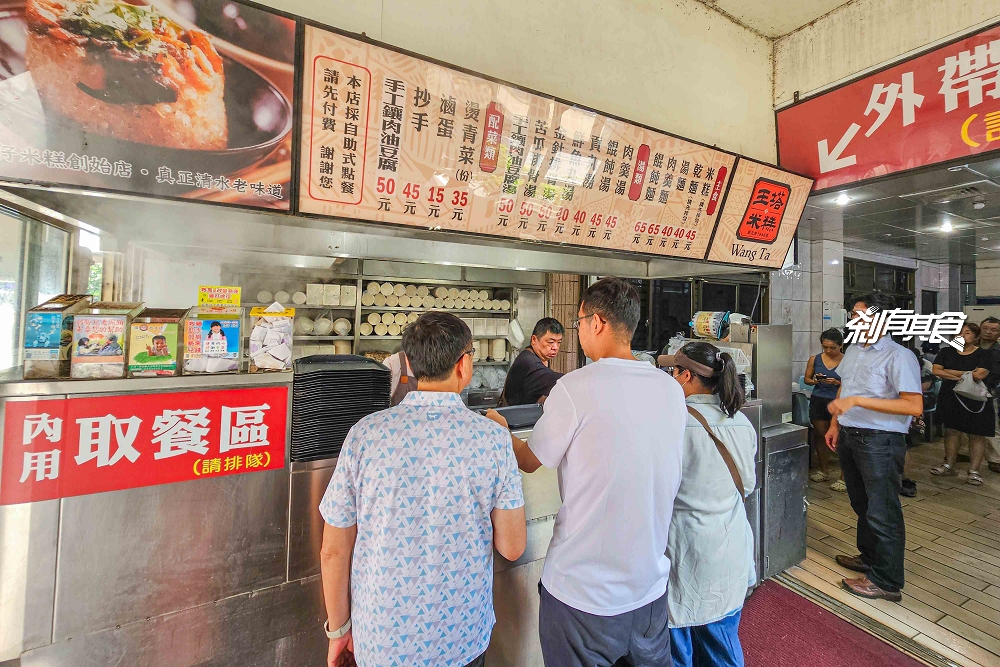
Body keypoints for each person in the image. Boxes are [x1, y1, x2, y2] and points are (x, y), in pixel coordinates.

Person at [487, 277, 686, 667]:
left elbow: (529, 460)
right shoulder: (670, 389)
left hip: (582, 597)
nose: (576, 332)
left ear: (596, 322)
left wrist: (500, 429)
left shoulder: (576, 388)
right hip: (649, 592)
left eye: (578, 322)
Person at [319, 312, 526, 667]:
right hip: (461, 638)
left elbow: (333, 551)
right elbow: (512, 546)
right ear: (464, 365)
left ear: (410, 365)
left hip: (382, 640)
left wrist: (338, 632)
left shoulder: (365, 434)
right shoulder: (492, 439)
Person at [658, 342, 757, 667]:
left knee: (679, 651)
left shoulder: (672, 425)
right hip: (728, 551)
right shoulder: (742, 423)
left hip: (685, 554)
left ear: (686, 375)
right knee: (722, 648)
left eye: (673, 371)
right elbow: (749, 485)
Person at [826, 293, 922, 602]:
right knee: (861, 504)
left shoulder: (899, 356)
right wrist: (835, 423)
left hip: (879, 441)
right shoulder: (854, 349)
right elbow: (846, 386)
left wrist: (856, 402)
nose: (852, 320)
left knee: (883, 511)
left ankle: (887, 581)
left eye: (859, 314)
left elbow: (914, 405)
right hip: (851, 435)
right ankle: (869, 558)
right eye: (852, 314)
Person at [930, 322, 993, 486]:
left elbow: (979, 375)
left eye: (967, 333)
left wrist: (950, 371)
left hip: (975, 398)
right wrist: (966, 376)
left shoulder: (983, 354)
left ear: (976, 337)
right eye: (958, 332)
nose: (962, 335)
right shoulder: (946, 351)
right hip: (950, 396)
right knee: (951, 431)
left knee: (977, 434)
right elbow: (936, 370)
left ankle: (974, 471)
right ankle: (949, 465)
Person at [803, 329, 845, 490]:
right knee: (821, 436)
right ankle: (823, 470)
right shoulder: (815, 359)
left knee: (841, 439)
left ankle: (844, 477)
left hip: (839, 401)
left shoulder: (847, 361)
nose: (828, 350)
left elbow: (855, 382)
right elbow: (807, 378)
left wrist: (837, 383)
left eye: (832, 347)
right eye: (825, 347)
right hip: (819, 400)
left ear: (841, 346)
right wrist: (814, 381)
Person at [501, 317, 564, 405]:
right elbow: (559, 381)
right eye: (550, 342)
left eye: (559, 342)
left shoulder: (540, 357)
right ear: (534, 340)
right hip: (514, 416)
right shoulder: (528, 361)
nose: (555, 347)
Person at [978, 316, 1000, 474]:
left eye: (993, 330)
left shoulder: (997, 351)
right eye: (985, 328)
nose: (988, 332)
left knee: (992, 425)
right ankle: (964, 452)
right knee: (962, 423)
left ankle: (995, 458)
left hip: (989, 390)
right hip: (961, 388)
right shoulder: (968, 343)